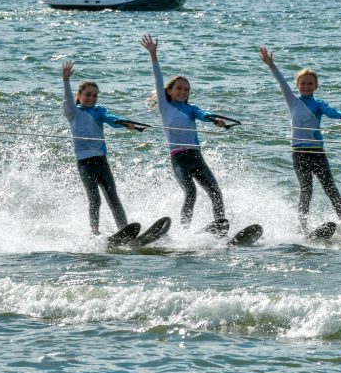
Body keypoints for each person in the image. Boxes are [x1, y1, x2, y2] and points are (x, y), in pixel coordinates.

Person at [140, 34, 228, 229]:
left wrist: (216, 121)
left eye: (186, 89)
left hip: (196, 156)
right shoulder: (165, 106)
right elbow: (158, 78)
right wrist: (153, 55)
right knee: (191, 192)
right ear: (170, 90)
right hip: (178, 158)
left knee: (215, 192)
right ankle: (184, 231)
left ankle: (221, 225)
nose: (183, 92)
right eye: (179, 88)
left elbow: (204, 114)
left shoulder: (192, 108)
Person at [259, 47, 341, 233]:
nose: (306, 86)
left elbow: (332, 112)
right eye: (303, 83)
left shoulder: (318, 104)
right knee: (306, 190)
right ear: (297, 85)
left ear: (316, 86)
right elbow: (281, 81)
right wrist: (271, 65)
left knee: (330, 187)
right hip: (299, 153)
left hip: (317, 152)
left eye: (310, 84)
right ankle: (304, 227)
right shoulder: (292, 100)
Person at [62, 60, 136, 235]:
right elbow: (68, 101)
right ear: (79, 95)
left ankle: (124, 230)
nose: (92, 98)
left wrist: (125, 123)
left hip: (101, 161)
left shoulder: (99, 111)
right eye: (88, 94)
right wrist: (65, 80)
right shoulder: (73, 112)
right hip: (84, 163)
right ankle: (94, 232)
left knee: (113, 198)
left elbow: (112, 119)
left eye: (95, 95)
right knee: (95, 199)